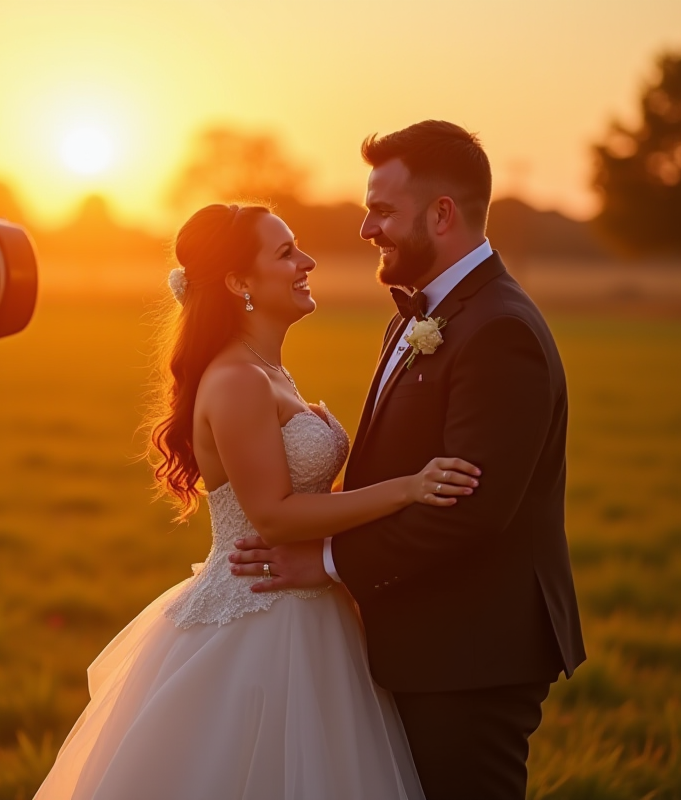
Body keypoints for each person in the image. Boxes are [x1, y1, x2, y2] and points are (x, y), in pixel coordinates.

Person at [34, 202, 483, 799]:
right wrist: (408, 488)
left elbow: (298, 494)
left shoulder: (268, 371)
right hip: (261, 616)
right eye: (286, 253)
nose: (308, 262)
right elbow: (272, 514)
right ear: (238, 283)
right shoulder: (238, 380)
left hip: (311, 608)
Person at [232, 120, 586, 800]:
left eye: (383, 210)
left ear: (442, 214)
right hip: (422, 641)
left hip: (469, 655)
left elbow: (471, 511)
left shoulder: (499, 328)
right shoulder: (415, 316)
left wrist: (326, 561)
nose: (368, 228)